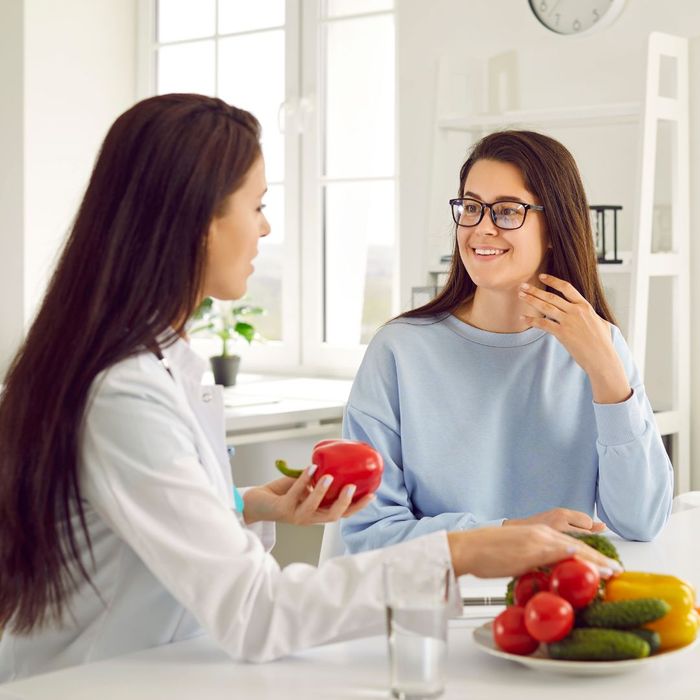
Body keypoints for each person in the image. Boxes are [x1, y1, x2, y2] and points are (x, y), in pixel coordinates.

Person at [0, 99, 620, 681]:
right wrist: (466, 551)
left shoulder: (164, 361)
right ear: (196, 223)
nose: (266, 229)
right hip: (86, 682)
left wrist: (247, 505)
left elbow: (133, 514)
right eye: (257, 205)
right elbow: (256, 611)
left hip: (162, 668)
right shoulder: (123, 392)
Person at [341, 130, 673, 555]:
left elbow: (641, 521)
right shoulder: (398, 352)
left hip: (559, 602)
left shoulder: (600, 345)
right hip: (437, 606)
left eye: (507, 211)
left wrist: (607, 374)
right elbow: (369, 533)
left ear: (555, 228)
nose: (482, 228)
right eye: (472, 207)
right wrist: (511, 533)